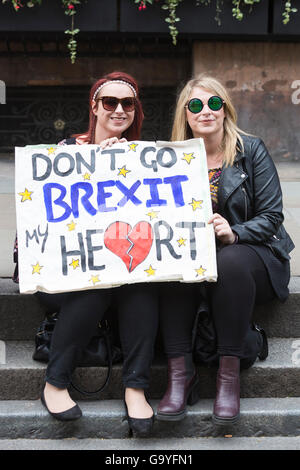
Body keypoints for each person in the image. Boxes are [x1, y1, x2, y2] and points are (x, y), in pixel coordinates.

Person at [14, 72, 157, 436]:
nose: (120, 110)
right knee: (97, 283)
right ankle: (55, 382)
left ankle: (136, 387)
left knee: (140, 287)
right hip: (63, 275)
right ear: (94, 108)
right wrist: (94, 165)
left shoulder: (143, 155)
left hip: (121, 270)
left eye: (128, 103)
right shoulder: (65, 152)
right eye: (110, 102)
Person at [156, 74, 294, 425]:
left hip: (253, 254)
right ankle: (179, 374)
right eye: (196, 105)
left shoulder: (251, 150)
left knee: (229, 260)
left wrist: (235, 232)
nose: (206, 111)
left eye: (214, 103)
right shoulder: (167, 159)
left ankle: (228, 379)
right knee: (174, 265)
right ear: (185, 115)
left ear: (225, 110)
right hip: (195, 257)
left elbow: (272, 216)